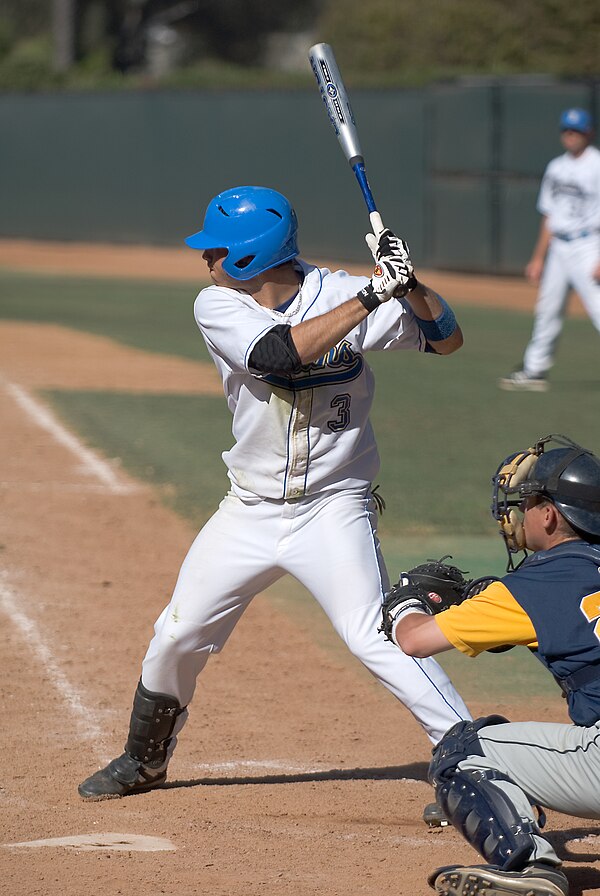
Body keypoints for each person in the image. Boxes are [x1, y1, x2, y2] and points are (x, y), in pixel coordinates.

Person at [78, 184, 471, 800]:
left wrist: (411, 284)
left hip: (334, 506)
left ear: (245, 255)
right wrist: (373, 293)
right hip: (250, 510)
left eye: (213, 249)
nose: (203, 259)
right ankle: (143, 760)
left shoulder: (340, 290)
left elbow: (446, 338)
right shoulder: (217, 305)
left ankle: (473, 763)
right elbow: (278, 356)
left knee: (374, 635)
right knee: (177, 634)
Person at [384, 433, 600, 896]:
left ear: (550, 515)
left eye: (529, 503)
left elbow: (416, 641)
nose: (519, 514)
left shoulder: (532, 588)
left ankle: (529, 869)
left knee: (462, 750)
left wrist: (407, 602)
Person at [499, 108, 600, 392]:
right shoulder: (556, 166)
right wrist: (538, 257)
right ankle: (534, 369)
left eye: (576, 130)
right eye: (567, 130)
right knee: (547, 309)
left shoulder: (597, 165)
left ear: (588, 133)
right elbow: (549, 216)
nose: (571, 135)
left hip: (589, 244)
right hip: (559, 247)